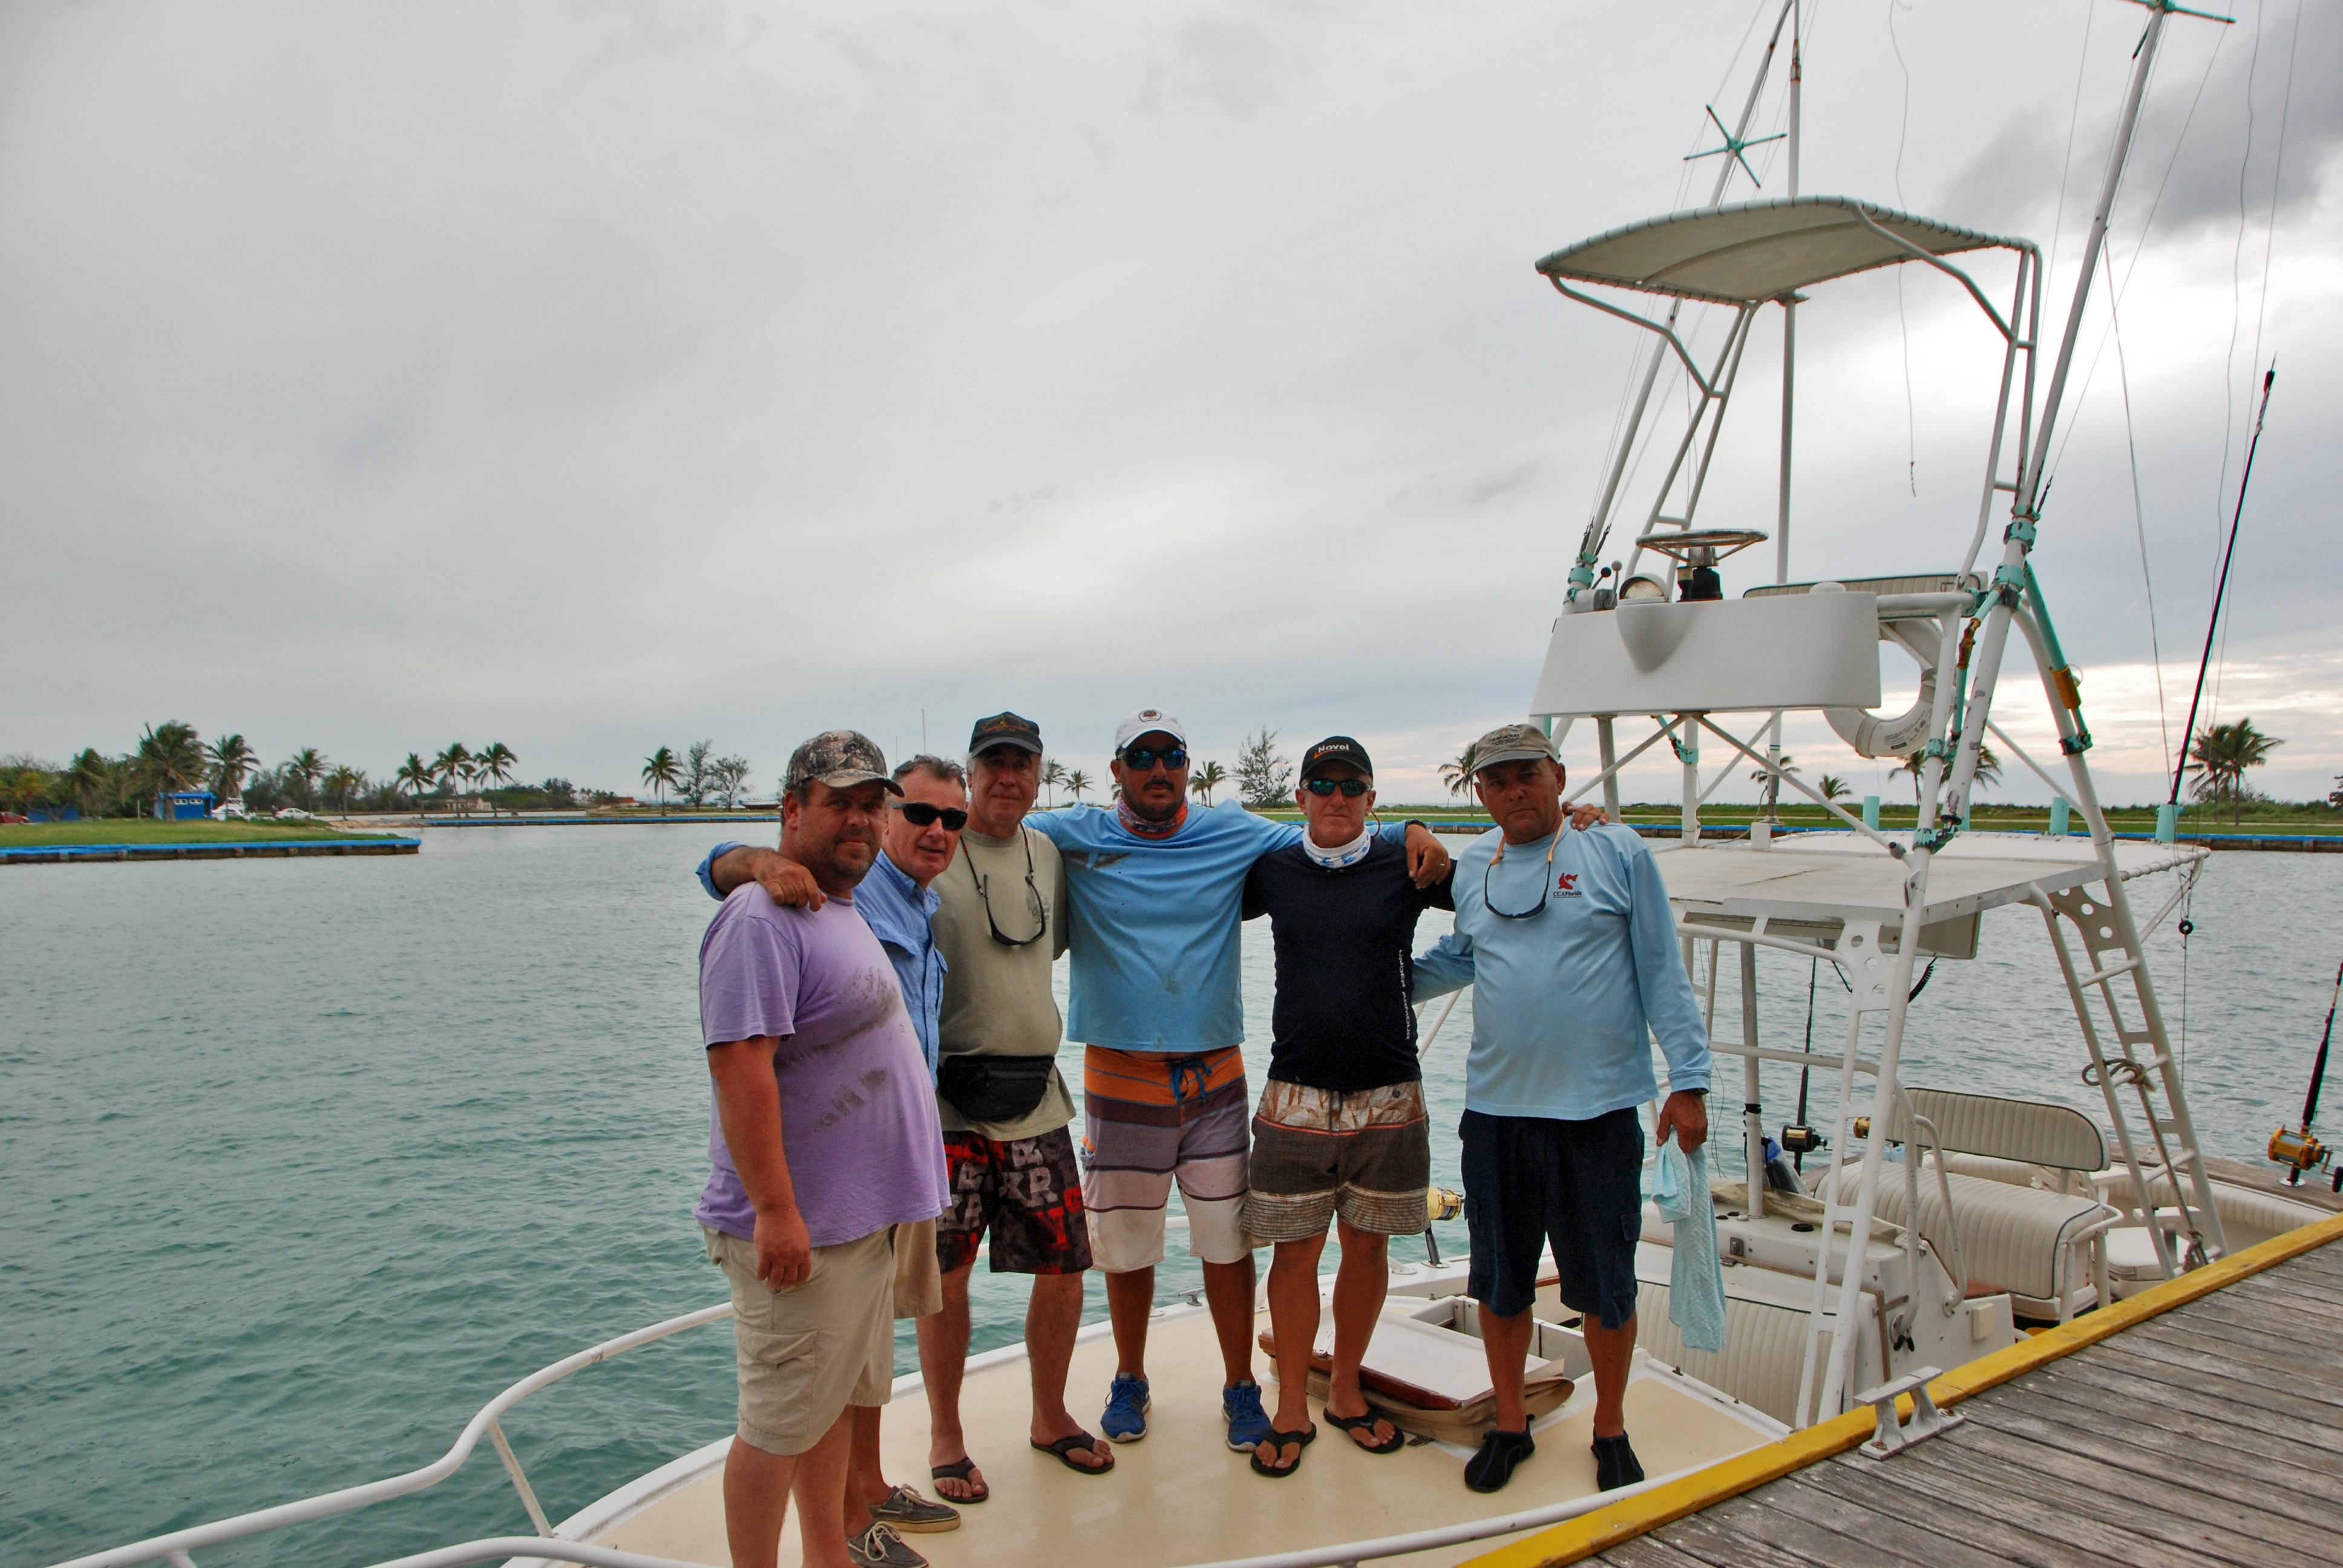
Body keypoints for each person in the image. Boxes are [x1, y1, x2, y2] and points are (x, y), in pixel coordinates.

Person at [710, 714, 1111, 1515]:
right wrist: (744, 859)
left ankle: (879, 1494)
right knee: (922, 1301)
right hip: (928, 1126)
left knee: (1040, 1276)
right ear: (891, 816)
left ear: (1037, 779)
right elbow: (741, 1048)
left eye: (950, 818)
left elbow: (1143, 823)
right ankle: (926, 1453)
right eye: (918, 814)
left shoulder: (1034, 853)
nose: (937, 829)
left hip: (998, 1116)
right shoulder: (836, 893)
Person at [1023, 709, 1451, 1456]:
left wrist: (1413, 823)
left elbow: (1339, 840)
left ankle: (1240, 1385)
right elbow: (978, 831)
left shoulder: (1239, 832)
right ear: (1116, 768)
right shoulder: (1069, 833)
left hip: (1215, 1069)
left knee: (1228, 1240)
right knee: (1125, 1245)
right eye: (1142, 757)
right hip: (1118, 1069)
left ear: (1188, 766)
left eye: (1172, 756)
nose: (1158, 770)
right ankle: (1129, 1375)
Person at [1411, 723, 1710, 1495]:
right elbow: (1462, 959)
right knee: (1500, 1285)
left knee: (1607, 1286)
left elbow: (1660, 969)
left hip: (1598, 1114)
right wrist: (1367, 986)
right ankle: (1510, 1424)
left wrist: (1690, 1080)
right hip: (1497, 1114)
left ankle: (1609, 1426)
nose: (1513, 791)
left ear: (1557, 776)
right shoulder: (1474, 865)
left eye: (1526, 775)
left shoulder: (1616, 851)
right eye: (1496, 780)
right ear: (1480, 792)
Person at [703, 755, 971, 1568]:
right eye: (838, 804)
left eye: (869, 805)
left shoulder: (838, 904)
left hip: (863, 1220)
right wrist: (777, 1213)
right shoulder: (761, 915)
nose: (858, 819)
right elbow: (740, 1067)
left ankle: (831, 1553)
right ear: (792, 810)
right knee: (778, 1429)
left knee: (825, 1413)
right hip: (806, 1231)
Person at [1235, 737, 1453, 1478]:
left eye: (1350, 785)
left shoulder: (1406, 863)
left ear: (1370, 800)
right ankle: (1291, 1402)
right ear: (1298, 797)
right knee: (1293, 1256)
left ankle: (1349, 1389)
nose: (1335, 796)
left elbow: (1500, 879)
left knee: (1369, 1249)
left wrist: (1576, 824)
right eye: (1320, 784)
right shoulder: (1271, 868)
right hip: (1290, 1094)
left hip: (1391, 1093)